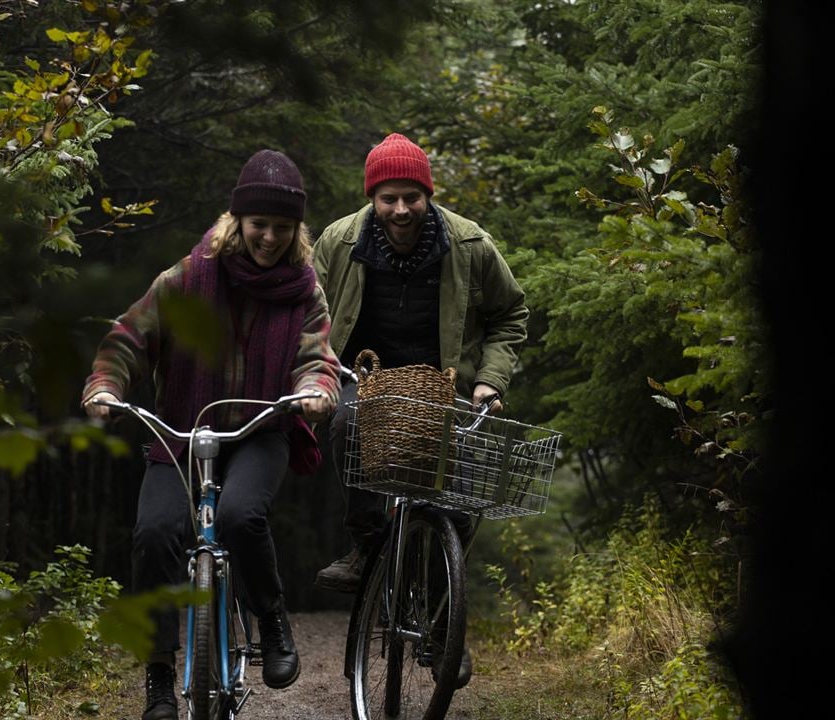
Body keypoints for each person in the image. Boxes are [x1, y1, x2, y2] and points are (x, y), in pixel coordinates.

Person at [82, 150, 340, 720]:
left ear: (296, 230)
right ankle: (157, 678)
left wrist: (318, 389)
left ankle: (270, 621)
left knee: (240, 517)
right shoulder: (188, 276)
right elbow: (128, 337)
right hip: (183, 431)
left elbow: (316, 355)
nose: (268, 237)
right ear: (237, 222)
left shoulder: (303, 290)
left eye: (281, 227)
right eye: (258, 225)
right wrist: (105, 385)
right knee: (155, 532)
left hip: (260, 430)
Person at [311, 132, 528, 684]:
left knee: (456, 504)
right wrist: (318, 370)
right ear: (373, 198)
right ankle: (365, 546)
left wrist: (489, 382)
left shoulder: (471, 245)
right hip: (366, 376)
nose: (401, 209)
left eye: (412, 197)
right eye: (389, 198)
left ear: (428, 194)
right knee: (346, 421)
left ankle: (439, 620)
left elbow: (510, 314)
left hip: (444, 382)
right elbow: (306, 314)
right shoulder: (339, 242)